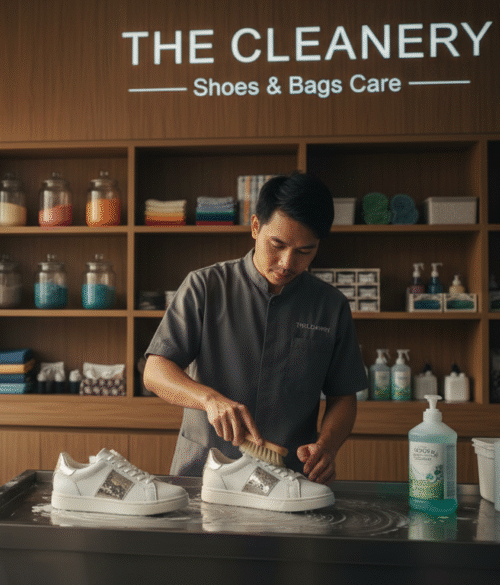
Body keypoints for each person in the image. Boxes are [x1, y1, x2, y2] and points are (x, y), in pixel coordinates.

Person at [143, 171, 367, 485]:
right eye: (277, 245)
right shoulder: (205, 286)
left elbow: (343, 396)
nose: (287, 262)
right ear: (255, 227)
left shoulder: (330, 306)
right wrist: (209, 399)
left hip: (288, 478)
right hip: (203, 472)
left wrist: (327, 446)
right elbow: (155, 371)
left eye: (304, 251)